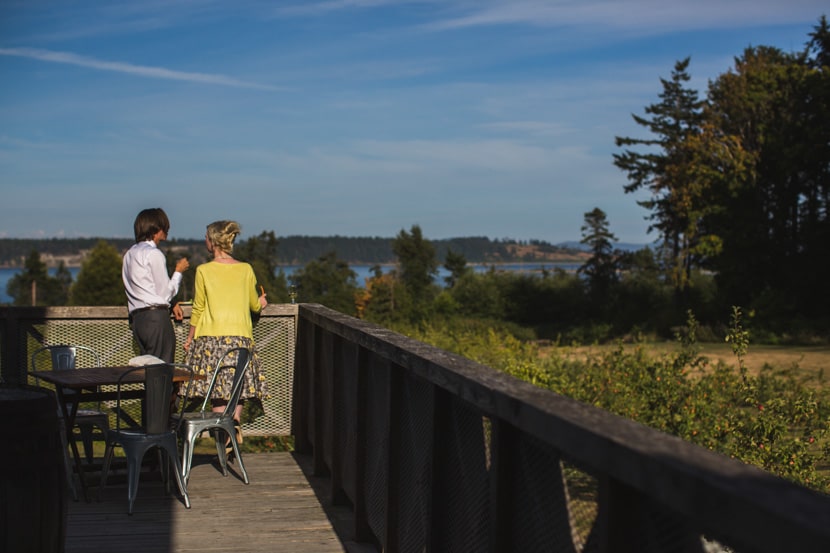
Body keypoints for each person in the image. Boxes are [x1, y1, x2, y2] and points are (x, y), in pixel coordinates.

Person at [183, 220, 268, 448]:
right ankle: (235, 423)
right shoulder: (245, 269)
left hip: (211, 340)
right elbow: (254, 305)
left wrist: (190, 338)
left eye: (206, 237)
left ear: (212, 242)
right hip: (240, 339)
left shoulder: (203, 271)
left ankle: (223, 438)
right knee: (236, 390)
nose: (204, 241)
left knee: (218, 394)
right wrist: (261, 303)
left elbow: (198, 308)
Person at [123, 208, 190, 363]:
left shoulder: (129, 255)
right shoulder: (154, 254)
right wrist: (178, 272)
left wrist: (171, 303)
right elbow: (164, 293)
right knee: (162, 370)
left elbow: (144, 288)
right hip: (156, 319)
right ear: (156, 229)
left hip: (138, 320)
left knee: (149, 369)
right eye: (164, 227)